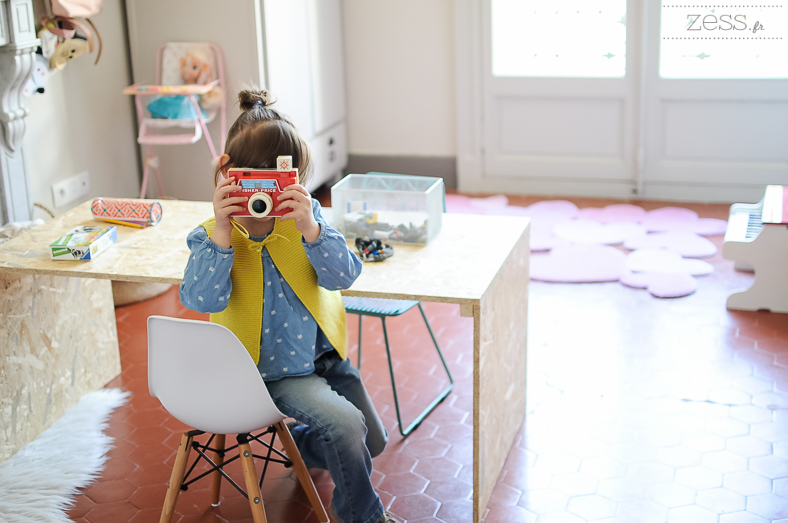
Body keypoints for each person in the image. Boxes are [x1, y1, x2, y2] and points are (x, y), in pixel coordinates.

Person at [179, 88, 402, 523]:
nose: (265, 197)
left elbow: (345, 277)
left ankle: (301, 444)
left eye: (278, 182)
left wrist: (312, 227)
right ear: (227, 172)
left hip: (323, 358)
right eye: (252, 181)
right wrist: (224, 232)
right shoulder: (212, 235)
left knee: (370, 440)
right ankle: (364, 517)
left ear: (296, 178)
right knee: (346, 427)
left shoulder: (306, 219)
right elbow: (200, 300)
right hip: (271, 370)